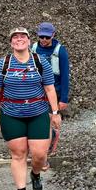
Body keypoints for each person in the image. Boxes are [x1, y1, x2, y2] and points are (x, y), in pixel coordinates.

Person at [0, 27, 63, 190]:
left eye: (23, 36)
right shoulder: (2, 64)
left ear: (29, 41)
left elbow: (50, 89)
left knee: (39, 155)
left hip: (38, 113)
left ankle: (35, 174)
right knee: (18, 153)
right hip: (12, 114)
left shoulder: (40, 62)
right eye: (15, 37)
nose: (19, 39)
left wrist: (55, 113)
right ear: (11, 42)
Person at [32, 21, 71, 171]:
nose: (44, 40)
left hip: (55, 92)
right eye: (41, 37)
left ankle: (48, 150)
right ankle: (40, 150)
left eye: (47, 37)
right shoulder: (33, 48)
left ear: (53, 35)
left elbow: (65, 76)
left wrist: (63, 99)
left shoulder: (60, 51)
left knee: (50, 120)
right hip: (37, 91)